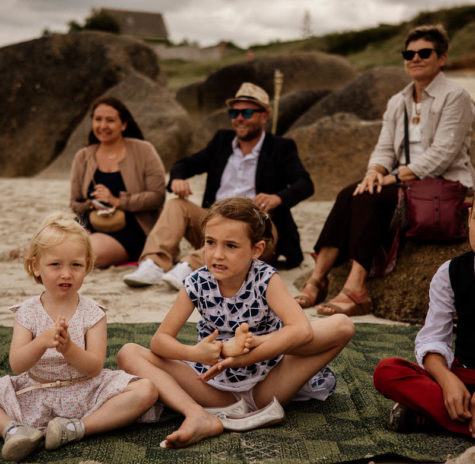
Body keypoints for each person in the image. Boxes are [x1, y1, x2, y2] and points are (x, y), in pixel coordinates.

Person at [117, 197, 355, 448]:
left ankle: (240, 404)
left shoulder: (265, 279)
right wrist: (194, 353)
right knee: (128, 352)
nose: (217, 255)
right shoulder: (196, 282)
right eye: (210, 243)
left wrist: (248, 352)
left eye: (231, 246)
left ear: (256, 249)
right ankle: (196, 414)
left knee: (342, 325)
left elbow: (301, 329)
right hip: (214, 389)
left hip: (267, 383)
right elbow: (160, 341)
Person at [295, 24, 474, 316]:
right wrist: (374, 172)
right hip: (403, 181)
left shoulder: (455, 97)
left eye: (423, 52)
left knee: (369, 198)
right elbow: (385, 148)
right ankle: (318, 278)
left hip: (442, 181)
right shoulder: (398, 101)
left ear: (441, 58)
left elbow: (444, 153)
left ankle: (356, 289)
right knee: (350, 192)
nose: (414, 58)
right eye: (409, 53)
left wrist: (390, 177)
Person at [123, 82, 314, 289]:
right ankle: (154, 264)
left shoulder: (281, 147)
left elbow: (305, 184)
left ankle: (190, 266)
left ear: (264, 116)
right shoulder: (222, 141)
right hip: (214, 220)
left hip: (260, 225)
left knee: (240, 225)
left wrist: (277, 198)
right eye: (234, 113)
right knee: (176, 205)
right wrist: (177, 178)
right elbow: (185, 164)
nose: (238, 118)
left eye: (246, 112)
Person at [0, 214, 159, 462]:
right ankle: (14, 430)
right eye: (55, 265)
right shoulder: (27, 312)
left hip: (86, 392)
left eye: (76, 265)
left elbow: (95, 367)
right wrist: (42, 342)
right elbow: (17, 364)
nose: (66, 274)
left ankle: (76, 428)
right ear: (35, 266)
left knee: (146, 389)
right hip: (35, 393)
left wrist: (69, 349)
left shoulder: (93, 313)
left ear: (87, 265)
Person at [373, 201, 475, 438]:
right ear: (469, 218)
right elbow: (434, 338)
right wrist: (447, 380)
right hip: (464, 376)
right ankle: (460, 415)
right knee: (387, 371)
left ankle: (428, 419)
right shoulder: (450, 272)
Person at [70, 96, 166, 268]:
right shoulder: (83, 156)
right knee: (56, 245)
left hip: (132, 229)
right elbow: (75, 202)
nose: (103, 126)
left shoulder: (144, 150)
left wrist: (116, 201)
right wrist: (92, 204)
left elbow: (157, 196)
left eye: (110, 120)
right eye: (98, 119)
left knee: (85, 252)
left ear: (123, 124)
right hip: (90, 224)